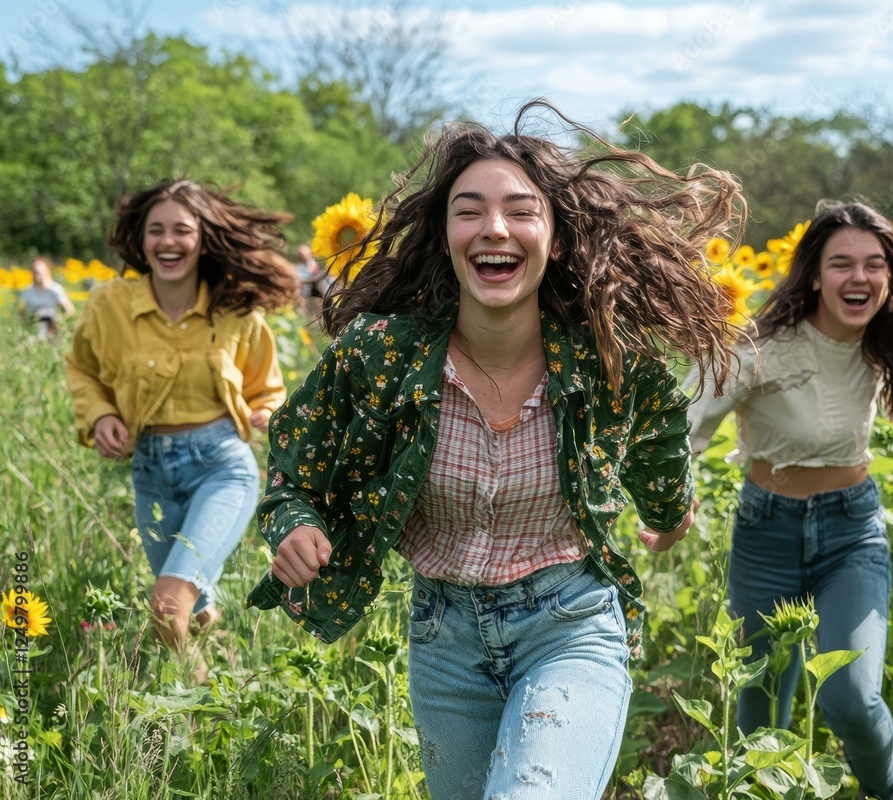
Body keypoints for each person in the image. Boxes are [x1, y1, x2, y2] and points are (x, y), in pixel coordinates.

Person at [247, 98, 744, 799]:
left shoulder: (608, 360)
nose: (495, 229)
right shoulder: (381, 355)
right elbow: (292, 469)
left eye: (520, 210)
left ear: (558, 237)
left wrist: (669, 509)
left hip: (568, 625)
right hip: (443, 641)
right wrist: (293, 524)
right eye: (469, 210)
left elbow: (662, 443)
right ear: (446, 234)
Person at [684, 201, 893, 800]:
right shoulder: (759, 347)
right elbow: (692, 420)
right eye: (842, 264)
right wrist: (675, 496)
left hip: (851, 532)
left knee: (850, 694)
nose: (859, 277)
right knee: (757, 710)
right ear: (815, 275)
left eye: (874, 264)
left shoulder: (882, 347)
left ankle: (883, 792)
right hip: (765, 531)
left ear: (890, 276)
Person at [65, 179, 299, 655]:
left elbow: (269, 388)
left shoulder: (235, 312)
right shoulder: (109, 305)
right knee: (192, 607)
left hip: (221, 468)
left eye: (181, 230)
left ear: (203, 239)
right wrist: (101, 413)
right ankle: (213, 679)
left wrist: (266, 412)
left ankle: (181, 716)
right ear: (141, 238)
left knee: (168, 603)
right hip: (149, 472)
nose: (168, 242)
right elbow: (82, 370)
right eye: (156, 230)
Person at [20, 257, 75, 339]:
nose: (38, 276)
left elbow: (69, 310)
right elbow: (22, 313)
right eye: (36, 273)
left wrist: (58, 321)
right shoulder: (28, 291)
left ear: (47, 271)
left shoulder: (55, 290)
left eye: (40, 273)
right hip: (34, 328)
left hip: (52, 328)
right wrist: (28, 324)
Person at [294, 242, 331, 310]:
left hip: (323, 289)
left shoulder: (319, 263)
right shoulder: (299, 268)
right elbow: (300, 279)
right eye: (303, 255)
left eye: (307, 254)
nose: (306, 256)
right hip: (308, 292)